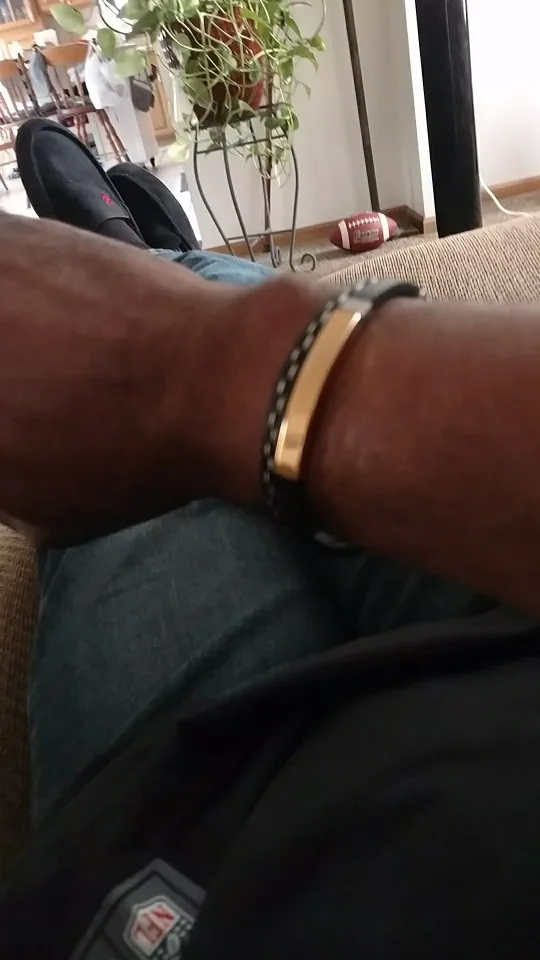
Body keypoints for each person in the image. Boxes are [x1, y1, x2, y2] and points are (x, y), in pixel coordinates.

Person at [1, 117, 540, 959]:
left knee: (154, 467)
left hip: (217, 872)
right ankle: (163, 260)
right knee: (261, 313)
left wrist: (198, 369)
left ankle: (148, 260)